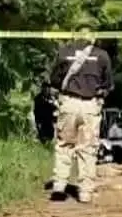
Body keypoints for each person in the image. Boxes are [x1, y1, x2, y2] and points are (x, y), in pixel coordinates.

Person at [47, 25, 114, 204]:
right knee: (87, 148)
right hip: (90, 105)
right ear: (93, 35)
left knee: (64, 144)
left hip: (68, 103)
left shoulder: (64, 52)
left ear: (74, 34)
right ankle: (85, 191)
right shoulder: (101, 55)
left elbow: (54, 80)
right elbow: (107, 84)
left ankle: (60, 184)